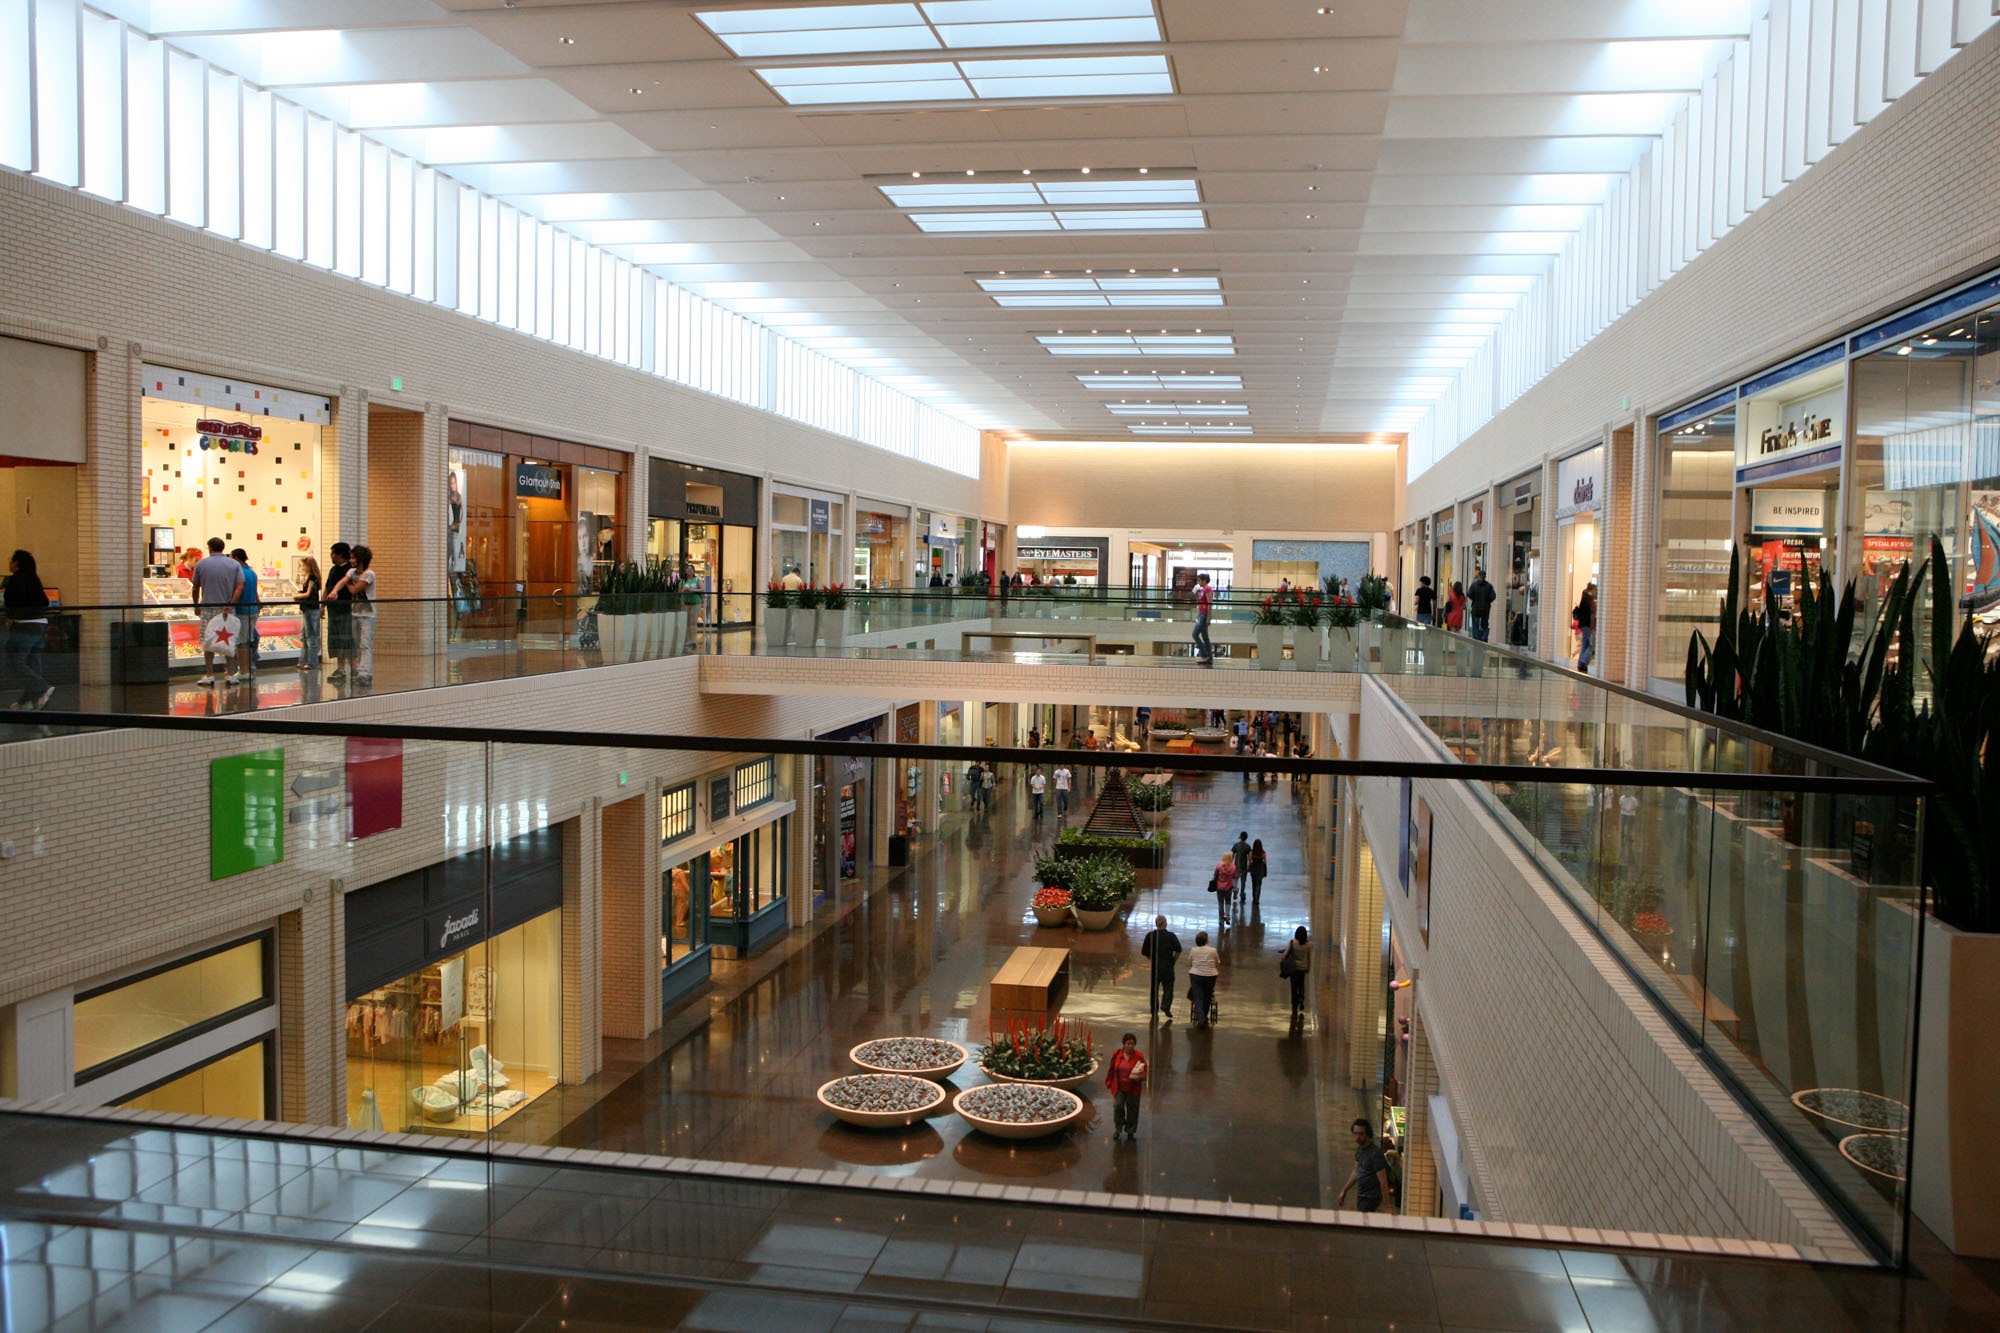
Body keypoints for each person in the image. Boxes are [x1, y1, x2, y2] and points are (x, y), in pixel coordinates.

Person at [3, 549, 53, 710]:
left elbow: (11, 603)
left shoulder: (14, 580)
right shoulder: (34, 579)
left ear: (16, 563)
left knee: (14, 661)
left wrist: (11, 616)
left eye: (11, 560)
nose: (9, 563)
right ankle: (27, 701)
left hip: (24, 625)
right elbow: (45, 602)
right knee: (33, 661)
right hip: (41, 624)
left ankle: (42, 688)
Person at [190, 537, 244, 686]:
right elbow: (240, 585)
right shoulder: (234, 564)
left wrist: (196, 605)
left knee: (208, 643)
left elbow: (195, 587)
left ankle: (209, 674)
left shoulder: (201, 564)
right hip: (227, 609)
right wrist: (231, 604)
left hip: (207, 607)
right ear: (223, 547)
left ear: (209, 548)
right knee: (229, 641)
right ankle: (231, 674)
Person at [329, 545, 377, 685]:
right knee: (355, 644)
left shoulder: (369, 574)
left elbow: (354, 590)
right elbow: (342, 581)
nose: (350, 560)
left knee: (365, 644)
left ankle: (365, 672)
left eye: (353, 558)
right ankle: (358, 671)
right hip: (354, 612)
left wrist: (349, 582)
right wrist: (335, 591)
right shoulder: (352, 571)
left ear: (360, 559)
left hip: (367, 614)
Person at [1338, 1119, 1393, 1213]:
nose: (1357, 1137)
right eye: (1355, 1133)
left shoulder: (1375, 1154)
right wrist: (1344, 1190)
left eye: (1361, 1134)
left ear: (1367, 1134)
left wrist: (1387, 1205)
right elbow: (1356, 1171)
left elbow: (1383, 1182)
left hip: (1371, 1197)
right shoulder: (1360, 1150)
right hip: (1362, 1195)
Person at [1105, 1032, 1147, 1141]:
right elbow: (1111, 1069)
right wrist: (1109, 1081)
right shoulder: (1117, 1054)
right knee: (1118, 1107)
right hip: (1119, 1087)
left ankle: (1130, 1131)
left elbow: (1145, 1070)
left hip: (1133, 1088)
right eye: (1128, 1043)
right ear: (1124, 1044)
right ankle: (1118, 1129)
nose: (1130, 1046)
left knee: (1133, 1109)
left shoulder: (1139, 1056)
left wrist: (1141, 1077)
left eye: (1132, 1044)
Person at [1140, 915, 1182, 1020]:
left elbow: (1144, 951)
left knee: (1154, 989)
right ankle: (1166, 1005)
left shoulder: (1150, 936)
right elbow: (1178, 949)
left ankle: (1154, 1010)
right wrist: (1173, 960)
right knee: (1169, 987)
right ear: (1165, 924)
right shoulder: (1171, 936)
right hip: (1168, 965)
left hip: (1156, 966)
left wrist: (1151, 958)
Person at [325, 541, 355, 682]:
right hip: (333, 609)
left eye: (333, 553)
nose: (331, 556)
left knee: (346, 637)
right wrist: (322, 606)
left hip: (345, 609)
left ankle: (353, 668)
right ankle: (340, 667)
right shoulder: (333, 569)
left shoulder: (350, 570)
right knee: (335, 637)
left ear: (340, 555)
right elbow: (327, 587)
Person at [230, 548, 260, 683]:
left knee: (241, 642)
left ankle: (243, 671)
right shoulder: (252, 572)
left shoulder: (239, 573)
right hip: (253, 610)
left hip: (242, 610)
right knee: (248, 640)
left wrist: (230, 604)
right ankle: (249, 667)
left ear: (236, 558)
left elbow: (238, 590)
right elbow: (255, 592)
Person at [295, 555, 323, 673]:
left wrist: (297, 596)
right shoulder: (314, 577)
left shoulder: (311, 578)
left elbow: (308, 594)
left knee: (310, 636)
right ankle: (303, 660)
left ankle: (311, 662)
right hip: (309, 609)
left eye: (304, 565)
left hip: (310, 609)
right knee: (305, 636)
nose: (302, 567)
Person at [1187, 931, 1221, 1026]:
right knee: (1207, 996)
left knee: (1198, 997)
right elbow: (1217, 962)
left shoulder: (1193, 950)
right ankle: (1204, 1016)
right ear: (1206, 940)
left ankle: (1201, 1018)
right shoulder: (1213, 950)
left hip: (1196, 975)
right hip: (1210, 976)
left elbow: (1190, 962)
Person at [1279, 925, 1311, 1021]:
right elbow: (1309, 957)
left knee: (1294, 987)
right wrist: (1308, 967)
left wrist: (1282, 960)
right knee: (1301, 985)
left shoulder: (1292, 943)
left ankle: (1294, 1007)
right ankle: (1301, 999)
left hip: (1293, 969)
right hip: (1303, 968)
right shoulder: (1309, 945)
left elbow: (1285, 956)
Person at [1467, 568, 1497, 642]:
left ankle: (1476, 640)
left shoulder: (1474, 585)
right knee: (1485, 625)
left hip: (1475, 608)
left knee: (1475, 625)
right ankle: (1484, 638)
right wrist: (1487, 601)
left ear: (1479, 576)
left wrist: (1474, 599)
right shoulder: (1489, 586)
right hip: (1485, 608)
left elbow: (1469, 594)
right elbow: (1493, 596)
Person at [1574, 580, 1597, 673]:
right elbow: (1590, 614)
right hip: (1587, 625)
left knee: (1585, 643)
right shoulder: (1588, 600)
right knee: (1589, 644)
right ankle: (1583, 662)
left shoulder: (1584, 598)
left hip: (1583, 624)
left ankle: (1580, 663)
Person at [1211, 853, 1237, 932]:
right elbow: (1234, 876)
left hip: (1219, 887)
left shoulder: (1219, 866)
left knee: (1220, 903)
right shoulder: (1233, 867)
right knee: (1228, 902)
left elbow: (1215, 874)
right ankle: (1227, 915)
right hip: (1228, 887)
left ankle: (1221, 920)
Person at [1231, 830, 1252, 905]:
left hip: (1236, 867)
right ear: (1246, 838)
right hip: (1244, 867)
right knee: (1243, 882)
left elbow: (1232, 856)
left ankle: (1235, 891)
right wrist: (1250, 865)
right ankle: (1242, 894)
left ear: (1240, 838)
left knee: (1235, 880)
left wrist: (1231, 864)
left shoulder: (1236, 845)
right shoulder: (1248, 847)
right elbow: (1249, 858)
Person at [1248, 838, 1268, 911]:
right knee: (1259, 884)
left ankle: (1254, 897)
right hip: (1260, 869)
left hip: (1253, 869)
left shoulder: (1251, 853)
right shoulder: (1263, 853)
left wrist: (1249, 868)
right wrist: (1265, 871)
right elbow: (1265, 862)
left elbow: (1250, 862)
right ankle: (1257, 898)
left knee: (1254, 884)